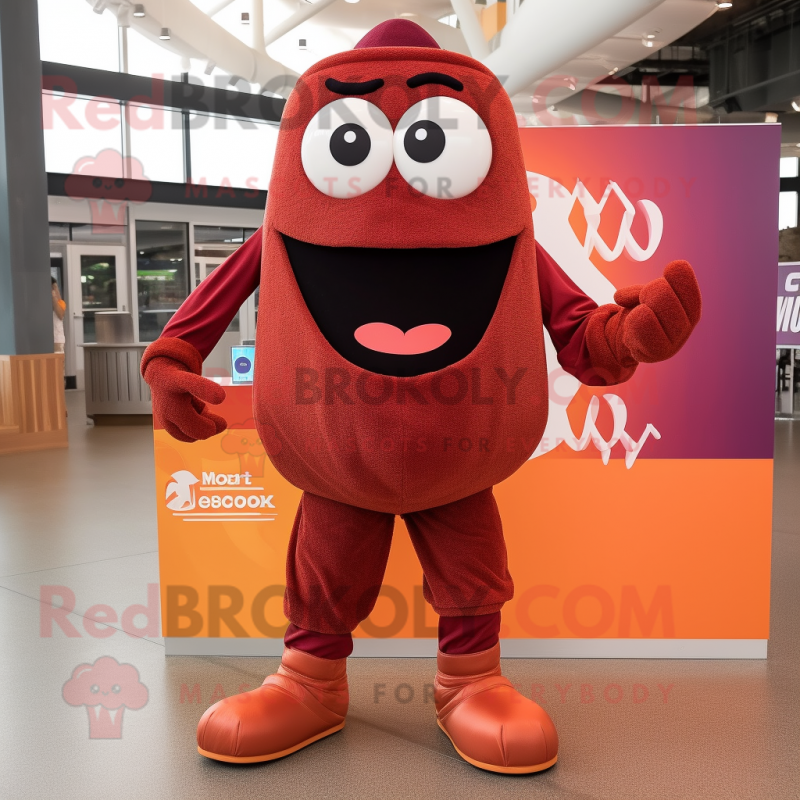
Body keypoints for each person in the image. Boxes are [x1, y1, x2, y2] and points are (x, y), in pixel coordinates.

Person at [51, 277, 66, 355]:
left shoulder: (60, 303)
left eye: (56, 288)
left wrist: (53, 298)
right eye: (53, 288)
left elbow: (60, 315)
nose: (57, 291)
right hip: (44, 338)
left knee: (58, 364)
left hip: (57, 339)